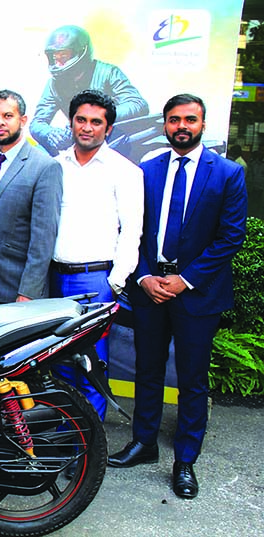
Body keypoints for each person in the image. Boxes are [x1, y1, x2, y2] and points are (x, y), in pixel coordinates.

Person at [108, 94, 247, 500]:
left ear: (203, 124)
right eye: (173, 120)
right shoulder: (145, 171)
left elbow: (229, 237)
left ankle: (185, 459)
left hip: (196, 295)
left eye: (189, 119)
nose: (181, 126)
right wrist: (146, 275)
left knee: (191, 380)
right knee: (147, 371)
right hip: (150, 288)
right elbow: (131, 228)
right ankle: (144, 443)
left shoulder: (226, 173)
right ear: (165, 124)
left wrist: (185, 280)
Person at [51, 89, 143, 420]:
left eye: (95, 122)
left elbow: (132, 230)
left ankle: (88, 454)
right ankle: (63, 441)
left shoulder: (124, 170)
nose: (87, 128)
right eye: (80, 120)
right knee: (58, 364)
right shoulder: (56, 166)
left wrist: (115, 282)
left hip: (96, 280)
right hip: (54, 280)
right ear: (71, 122)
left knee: (91, 364)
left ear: (108, 128)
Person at [0, 90, 62, 310]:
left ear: (23, 120)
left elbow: (44, 238)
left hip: (13, 289)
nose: (0, 122)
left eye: (8, 116)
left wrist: (28, 291)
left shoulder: (44, 166)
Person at [30, 25, 149, 157]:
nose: (58, 64)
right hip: (79, 141)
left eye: (63, 56)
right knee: (37, 154)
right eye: (54, 57)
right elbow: (37, 122)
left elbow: (138, 104)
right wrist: (50, 133)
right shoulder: (54, 83)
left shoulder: (108, 72)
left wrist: (100, 117)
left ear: (81, 52)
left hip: (111, 139)